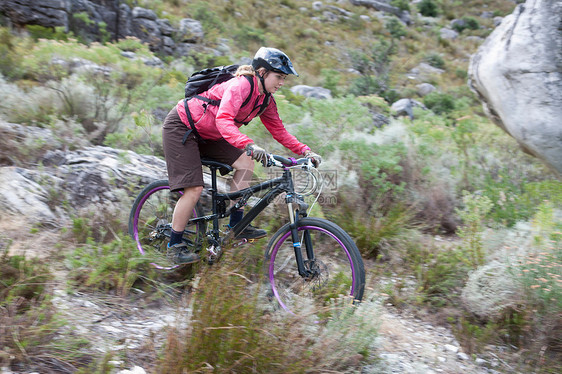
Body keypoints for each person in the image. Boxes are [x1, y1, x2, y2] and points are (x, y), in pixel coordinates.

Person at [162, 47, 322, 264]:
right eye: (279, 77)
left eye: (284, 78)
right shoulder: (240, 86)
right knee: (194, 188)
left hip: (211, 134)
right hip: (182, 127)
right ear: (263, 72)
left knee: (245, 162)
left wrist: (305, 151)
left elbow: (279, 131)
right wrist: (248, 144)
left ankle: (236, 226)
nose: (281, 83)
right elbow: (224, 119)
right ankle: (174, 244)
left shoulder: (265, 99)